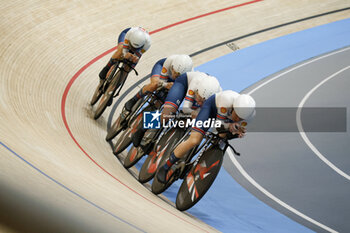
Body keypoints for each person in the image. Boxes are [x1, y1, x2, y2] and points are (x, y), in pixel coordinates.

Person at [157, 90, 256, 183]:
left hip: (225, 119)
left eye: (241, 118)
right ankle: (166, 166)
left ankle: (203, 157)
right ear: (233, 107)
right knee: (195, 140)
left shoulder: (249, 117)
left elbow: (238, 130)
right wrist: (230, 126)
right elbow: (218, 125)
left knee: (222, 138)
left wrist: (238, 133)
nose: (237, 118)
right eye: (237, 115)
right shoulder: (227, 100)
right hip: (211, 109)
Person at [131, 71, 222, 147]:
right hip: (183, 83)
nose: (200, 103)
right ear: (197, 91)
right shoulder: (196, 83)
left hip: (203, 96)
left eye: (203, 102)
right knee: (168, 114)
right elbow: (186, 108)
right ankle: (142, 129)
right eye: (200, 99)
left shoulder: (217, 97)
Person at [123, 54, 193, 112]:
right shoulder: (170, 60)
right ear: (173, 66)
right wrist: (166, 85)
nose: (174, 75)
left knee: (161, 101)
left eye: (178, 75)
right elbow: (161, 82)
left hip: (176, 81)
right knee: (155, 85)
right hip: (162, 68)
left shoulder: (189, 76)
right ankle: (134, 99)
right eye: (174, 71)